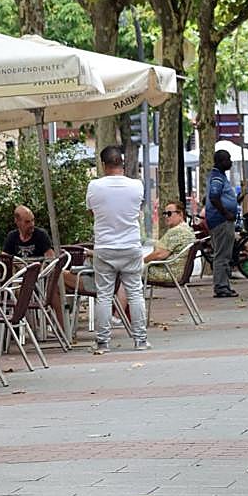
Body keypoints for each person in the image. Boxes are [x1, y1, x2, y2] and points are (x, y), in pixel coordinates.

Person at [86, 145, 149, 354]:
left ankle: (103, 342)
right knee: (135, 293)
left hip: (105, 246)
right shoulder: (137, 186)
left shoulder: (94, 186)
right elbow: (137, 210)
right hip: (130, 245)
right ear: (121, 162)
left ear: (104, 165)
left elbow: (91, 213)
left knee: (104, 295)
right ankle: (140, 340)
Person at [207, 148, 239, 298]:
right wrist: (226, 214)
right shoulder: (217, 178)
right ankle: (221, 286)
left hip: (223, 219)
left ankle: (224, 284)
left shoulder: (220, 177)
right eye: (228, 159)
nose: (230, 162)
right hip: (221, 221)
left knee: (225, 253)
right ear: (220, 162)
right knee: (222, 254)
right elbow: (214, 197)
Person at [145, 201, 196, 286]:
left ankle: (129, 299)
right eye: (164, 214)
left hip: (169, 273)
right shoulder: (188, 229)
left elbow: (159, 254)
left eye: (169, 213)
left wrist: (141, 261)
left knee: (129, 272)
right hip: (178, 272)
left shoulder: (176, 231)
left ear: (180, 214)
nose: (166, 217)